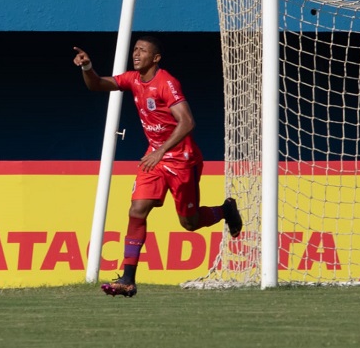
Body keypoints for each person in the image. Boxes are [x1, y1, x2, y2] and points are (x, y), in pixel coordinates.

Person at [73, 36, 243, 297]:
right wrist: (87, 67)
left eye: (142, 50)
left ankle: (225, 210)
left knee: (190, 222)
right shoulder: (133, 79)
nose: (136, 53)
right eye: (135, 49)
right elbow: (96, 84)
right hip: (154, 158)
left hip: (182, 160)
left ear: (156, 58)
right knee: (137, 210)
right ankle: (128, 279)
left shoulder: (167, 83)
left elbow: (187, 122)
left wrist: (162, 150)